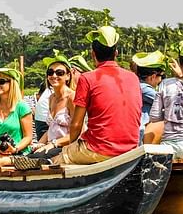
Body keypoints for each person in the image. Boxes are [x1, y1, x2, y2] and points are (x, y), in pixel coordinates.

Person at [52, 25, 142, 165]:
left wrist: (70, 147)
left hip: (98, 150)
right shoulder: (133, 78)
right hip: (130, 149)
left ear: (93, 54)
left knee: (57, 160)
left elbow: (76, 124)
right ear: (116, 53)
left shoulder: (87, 78)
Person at [0, 66, 33, 169]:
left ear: (12, 84)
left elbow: (28, 137)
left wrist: (15, 148)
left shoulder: (22, 107)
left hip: (18, 152)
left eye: (1, 81)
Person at [33, 52, 75, 156]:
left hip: (67, 146)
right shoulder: (51, 98)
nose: (54, 76)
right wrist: (38, 144)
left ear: (68, 76)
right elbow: (52, 129)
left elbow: (78, 132)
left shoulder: (72, 97)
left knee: (36, 158)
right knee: (28, 156)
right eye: (50, 72)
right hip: (51, 145)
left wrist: (54, 144)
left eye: (59, 73)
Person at [132, 50, 167, 143]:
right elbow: (168, 102)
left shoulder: (136, 85)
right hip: (141, 135)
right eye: (161, 77)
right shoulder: (144, 89)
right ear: (153, 76)